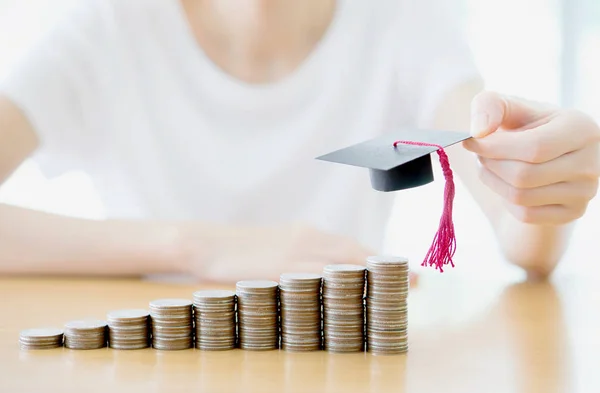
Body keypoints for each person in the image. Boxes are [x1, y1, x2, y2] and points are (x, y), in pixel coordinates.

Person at [0, 0, 598, 282]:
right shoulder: (101, 31)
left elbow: (525, 242)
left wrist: (542, 177)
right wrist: (193, 247)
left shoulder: (403, 26)